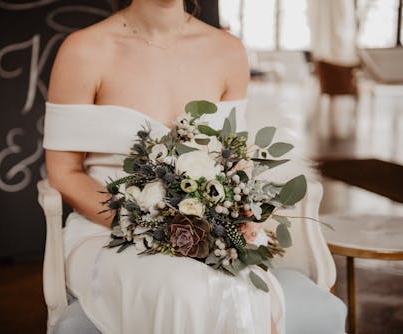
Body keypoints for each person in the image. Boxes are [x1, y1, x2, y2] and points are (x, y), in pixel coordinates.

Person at [44, 0, 283, 333]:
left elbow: (232, 161)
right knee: (182, 289)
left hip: (205, 231)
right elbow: (63, 172)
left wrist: (230, 218)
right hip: (106, 231)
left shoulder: (228, 51)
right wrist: (149, 226)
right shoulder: (84, 50)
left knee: (241, 281)